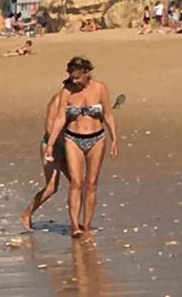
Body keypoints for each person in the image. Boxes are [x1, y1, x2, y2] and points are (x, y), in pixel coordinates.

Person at [43, 56, 119, 238]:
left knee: (91, 184)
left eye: (77, 77)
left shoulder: (100, 88)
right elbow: (60, 118)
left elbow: (108, 114)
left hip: (97, 138)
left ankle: (87, 225)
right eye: (71, 77)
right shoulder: (66, 91)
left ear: (86, 73)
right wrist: (51, 144)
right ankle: (74, 225)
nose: (74, 80)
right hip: (73, 139)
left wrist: (115, 138)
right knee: (76, 183)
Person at [20, 87, 69, 231]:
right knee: (51, 187)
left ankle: (79, 223)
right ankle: (26, 213)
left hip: (70, 147)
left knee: (78, 185)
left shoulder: (80, 100)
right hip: (52, 146)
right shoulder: (57, 100)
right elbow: (49, 127)